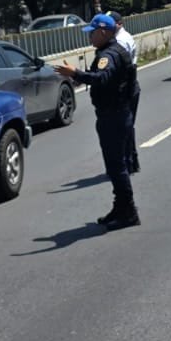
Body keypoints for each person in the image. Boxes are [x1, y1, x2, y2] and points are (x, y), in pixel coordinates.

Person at [56, 14, 141, 227]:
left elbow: (101, 79)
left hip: (114, 115)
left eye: (92, 33)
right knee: (114, 165)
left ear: (103, 32)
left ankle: (128, 211)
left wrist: (75, 73)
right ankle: (120, 206)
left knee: (117, 166)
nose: (90, 38)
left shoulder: (109, 55)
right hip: (114, 113)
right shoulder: (110, 51)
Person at [109, 12, 141, 173]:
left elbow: (115, 68)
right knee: (126, 127)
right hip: (129, 86)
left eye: (111, 23)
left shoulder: (121, 41)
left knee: (123, 127)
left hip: (125, 88)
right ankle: (131, 161)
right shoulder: (119, 39)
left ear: (119, 23)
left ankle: (128, 162)